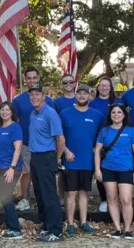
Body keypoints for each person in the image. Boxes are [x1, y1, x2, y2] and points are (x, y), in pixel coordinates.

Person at [60, 84, 104, 237]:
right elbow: (59, 136)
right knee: (70, 193)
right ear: (75, 95)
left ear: (90, 96)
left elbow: (101, 135)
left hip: (88, 160)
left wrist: (96, 150)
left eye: (85, 94)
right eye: (79, 93)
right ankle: (71, 223)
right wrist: (65, 151)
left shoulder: (97, 115)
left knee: (84, 192)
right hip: (70, 159)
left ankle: (84, 222)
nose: (82, 96)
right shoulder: (65, 113)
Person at [12, 66, 53, 211]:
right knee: (27, 172)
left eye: (34, 78)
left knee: (41, 174)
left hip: (43, 145)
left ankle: (42, 199)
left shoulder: (47, 100)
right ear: (25, 80)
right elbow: (13, 120)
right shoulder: (18, 100)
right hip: (26, 142)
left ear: (38, 78)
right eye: (29, 78)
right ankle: (25, 199)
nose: (31, 80)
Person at [28, 84, 65, 242]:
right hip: (35, 157)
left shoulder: (50, 113)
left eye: (37, 94)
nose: (34, 97)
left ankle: (56, 231)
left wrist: (57, 157)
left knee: (49, 195)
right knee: (39, 193)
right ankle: (47, 225)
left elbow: (60, 139)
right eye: (32, 95)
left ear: (44, 96)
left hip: (47, 157)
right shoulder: (33, 114)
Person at [95, 104, 134, 240]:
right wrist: (97, 169)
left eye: (119, 112)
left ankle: (128, 229)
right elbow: (97, 151)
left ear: (124, 115)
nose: (116, 115)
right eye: (113, 112)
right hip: (108, 169)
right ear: (110, 115)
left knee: (126, 199)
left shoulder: (131, 131)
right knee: (111, 199)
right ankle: (118, 228)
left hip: (126, 168)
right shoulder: (104, 131)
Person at [90, 76, 121, 212]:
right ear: (98, 87)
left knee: (118, 170)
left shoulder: (118, 101)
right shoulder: (92, 103)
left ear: (110, 87)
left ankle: (115, 199)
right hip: (99, 142)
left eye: (106, 85)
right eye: (101, 85)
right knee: (101, 171)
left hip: (118, 142)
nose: (104, 88)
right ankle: (104, 199)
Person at [0, 102, 23, 240]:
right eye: (2, 110)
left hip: (11, 168)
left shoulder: (15, 128)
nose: (4, 112)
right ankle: (9, 224)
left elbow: (18, 149)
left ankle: (15, 229)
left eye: (7, 110)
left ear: (12, 112)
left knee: (5, 196)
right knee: (3, 197)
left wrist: (12, 168)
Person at [53, 74, 76, 207]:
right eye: (65, 82)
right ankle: (62, 197)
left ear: (74, 83)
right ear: (62, 85)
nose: (68, 84)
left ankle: (76, 198)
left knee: (79, 171)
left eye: (70, 82)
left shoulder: (82, 98)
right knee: (63, 171)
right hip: (63, 140)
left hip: (79, 140)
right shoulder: (57, 102)